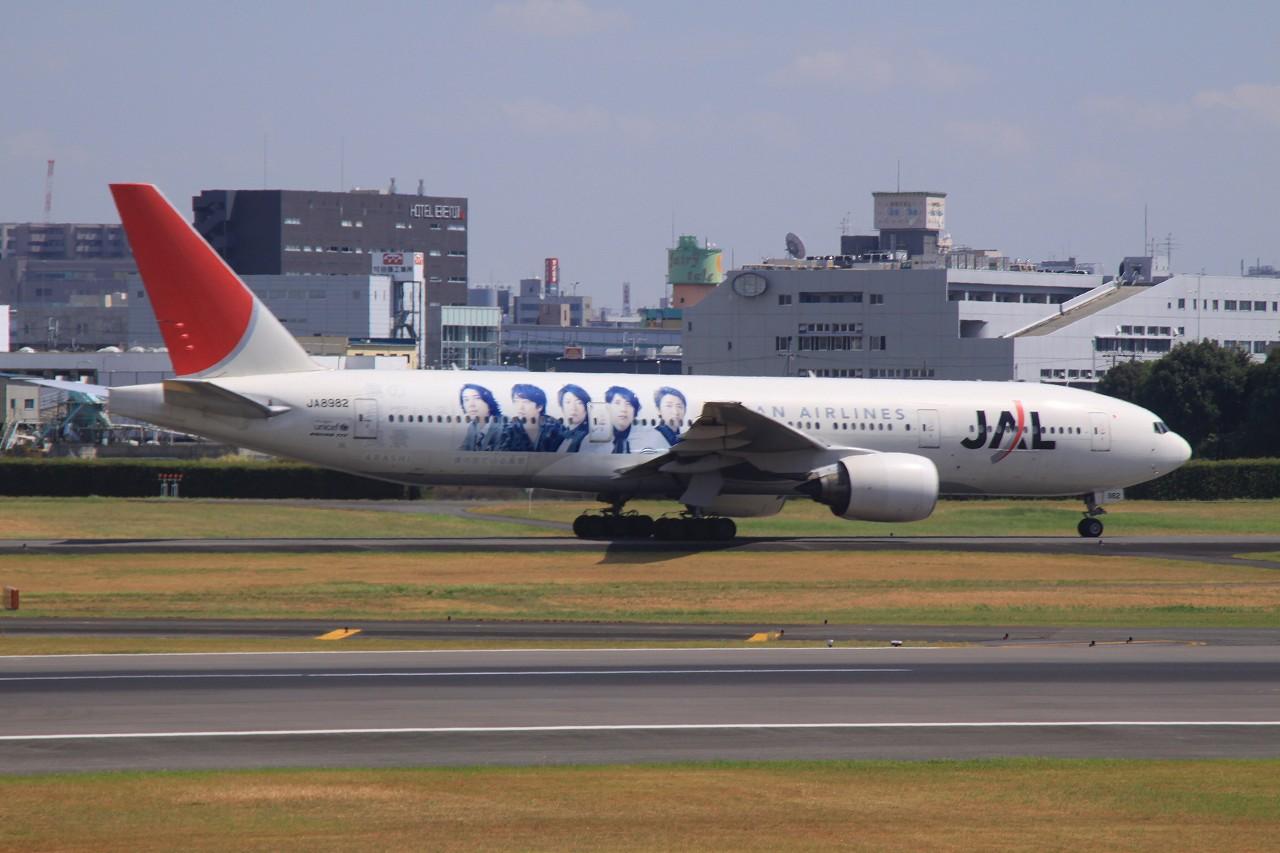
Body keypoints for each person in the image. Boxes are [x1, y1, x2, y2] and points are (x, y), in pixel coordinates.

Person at [582, 385, 664, 454]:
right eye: (617, 403)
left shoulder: (654, 436)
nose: (623, 409)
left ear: (634, 410)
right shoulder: (590, 440)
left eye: (628, 404)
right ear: (608, 407)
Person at [498, 383, 564, 452]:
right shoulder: (509, 428)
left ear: (539, 407)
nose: (520, 407)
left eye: (526, 402)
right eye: (516, 401)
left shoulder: (555, 427)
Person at [458, 383, 503, 451]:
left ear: (488, 401)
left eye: (477, 398)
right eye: (466, 400)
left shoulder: (504, 427)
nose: (471, 405)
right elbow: (464, 449)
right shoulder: (473, 426)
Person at [557, 384, 591, 453]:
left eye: (579, 403)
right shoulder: (562, 434)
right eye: (568, 402)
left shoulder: (589, 437)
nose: (573, 408)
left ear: (586, 407)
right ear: (562, 407)